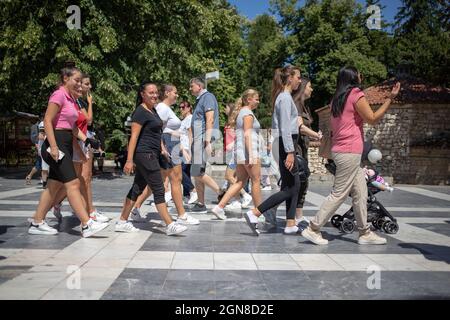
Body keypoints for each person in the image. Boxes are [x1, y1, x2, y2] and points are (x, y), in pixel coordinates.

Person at [301, 66, 400, 245]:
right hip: (349, 151)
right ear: (353, 77)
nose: (362, 75)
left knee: (361, 192)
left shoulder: (336, 99)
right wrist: (390, 99)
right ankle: (313, 228)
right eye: (359, 73)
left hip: (340, 150)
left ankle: (364, 233)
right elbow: (373, 118)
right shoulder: (355, 94)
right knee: (339, 193)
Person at [28, 62, 109, 237]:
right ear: (66, 78)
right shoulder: (58, 95)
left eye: (81, 81)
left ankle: (37, 222)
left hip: (65, 142)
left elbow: (71, 127)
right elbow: (48, 121)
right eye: (76, 80)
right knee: (73, 183)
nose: (79, 84)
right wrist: (54, 147)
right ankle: (87, 224)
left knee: (52, 186)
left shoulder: (70, 98)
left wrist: (88, 139)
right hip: (55, 143)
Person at [115, 81, 187, 235]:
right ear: (142, 94)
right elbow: (133, 137)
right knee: (159, 188)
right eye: (151, 93)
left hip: (152, 153)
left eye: (156, 92)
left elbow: (156, 132)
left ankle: (122, 221)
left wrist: (161, 148)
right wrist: (129, 160)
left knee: (137, 188)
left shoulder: (152, 110)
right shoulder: (140, 112)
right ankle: (170, 225)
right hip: (144, 154)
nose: (154, 95)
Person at [243, 66, 302, 235]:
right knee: (292, 187)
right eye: (298, 76)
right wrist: (290, 152)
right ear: (289, 78)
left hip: (284, 143)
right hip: (285, 144)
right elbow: (284, 127)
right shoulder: (284, 98)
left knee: (292, 184)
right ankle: (256, 212)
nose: (300, 80)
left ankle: (290, 223)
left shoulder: (284, 97)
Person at [212, 89, 263, 218]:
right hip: (248, 152)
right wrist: (251, 155)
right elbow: (247, 134)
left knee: (239, 182)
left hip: (241, 153)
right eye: (256, 99)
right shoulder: (247, 113)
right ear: (248, 99)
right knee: (256, 181)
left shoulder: (242, 112)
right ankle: (258, 212)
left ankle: (219, 207)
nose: (258, 101)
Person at [155, 84, 199, 225]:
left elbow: (165, 130)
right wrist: (163, 147)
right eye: (175, 92)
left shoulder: (166, 109)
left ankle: (135, 208)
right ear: (167, 93)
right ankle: (182, 215)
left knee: (168, 180)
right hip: (168, 145)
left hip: (172, 144)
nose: (177, 95)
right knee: (175, 179)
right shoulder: (162, 108)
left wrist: (181, 147)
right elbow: (156, 129)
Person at [188, 77, 223, 216]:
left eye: (192, 86)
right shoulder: (199, 100)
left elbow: (210, 119)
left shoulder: (208, 97)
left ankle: (221, 192)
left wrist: (208, 141)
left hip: (203, 139)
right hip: (198, 140)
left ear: (199, 86)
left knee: (196, 172)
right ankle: (201, 203)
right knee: (197, 173)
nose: (190, 89)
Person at [292, 77, 322, 228]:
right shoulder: (296, 104)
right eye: (310, 86)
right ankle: (295, 216)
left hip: (303, 148)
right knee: (298, 182)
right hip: (296, 149)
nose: (312, 89)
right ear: (303, 88)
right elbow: (300, 127)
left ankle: (297, 216)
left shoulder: (304, 106)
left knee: (301, 182)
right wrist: (316, 135)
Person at [221, 100, 252, 211]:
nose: (225, 109)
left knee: (229, 176)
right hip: (235, 152)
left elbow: (236, 138)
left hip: (236, 152)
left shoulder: (235, 121)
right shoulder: (234, 121)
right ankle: (237, 200)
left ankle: (245, 195)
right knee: (232, 177)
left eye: (226, 107)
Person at [178, 101, 198, 204]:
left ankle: (192, 190)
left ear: (189, 108)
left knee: (179, 172)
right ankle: (187, 195)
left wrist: (189, 151)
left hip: (186, 149)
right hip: (183, 149)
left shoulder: (189, 118)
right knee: (185, 172)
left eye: (183, 107)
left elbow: (191, 134)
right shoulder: (184, 120)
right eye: (180, 107)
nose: (181, 109)